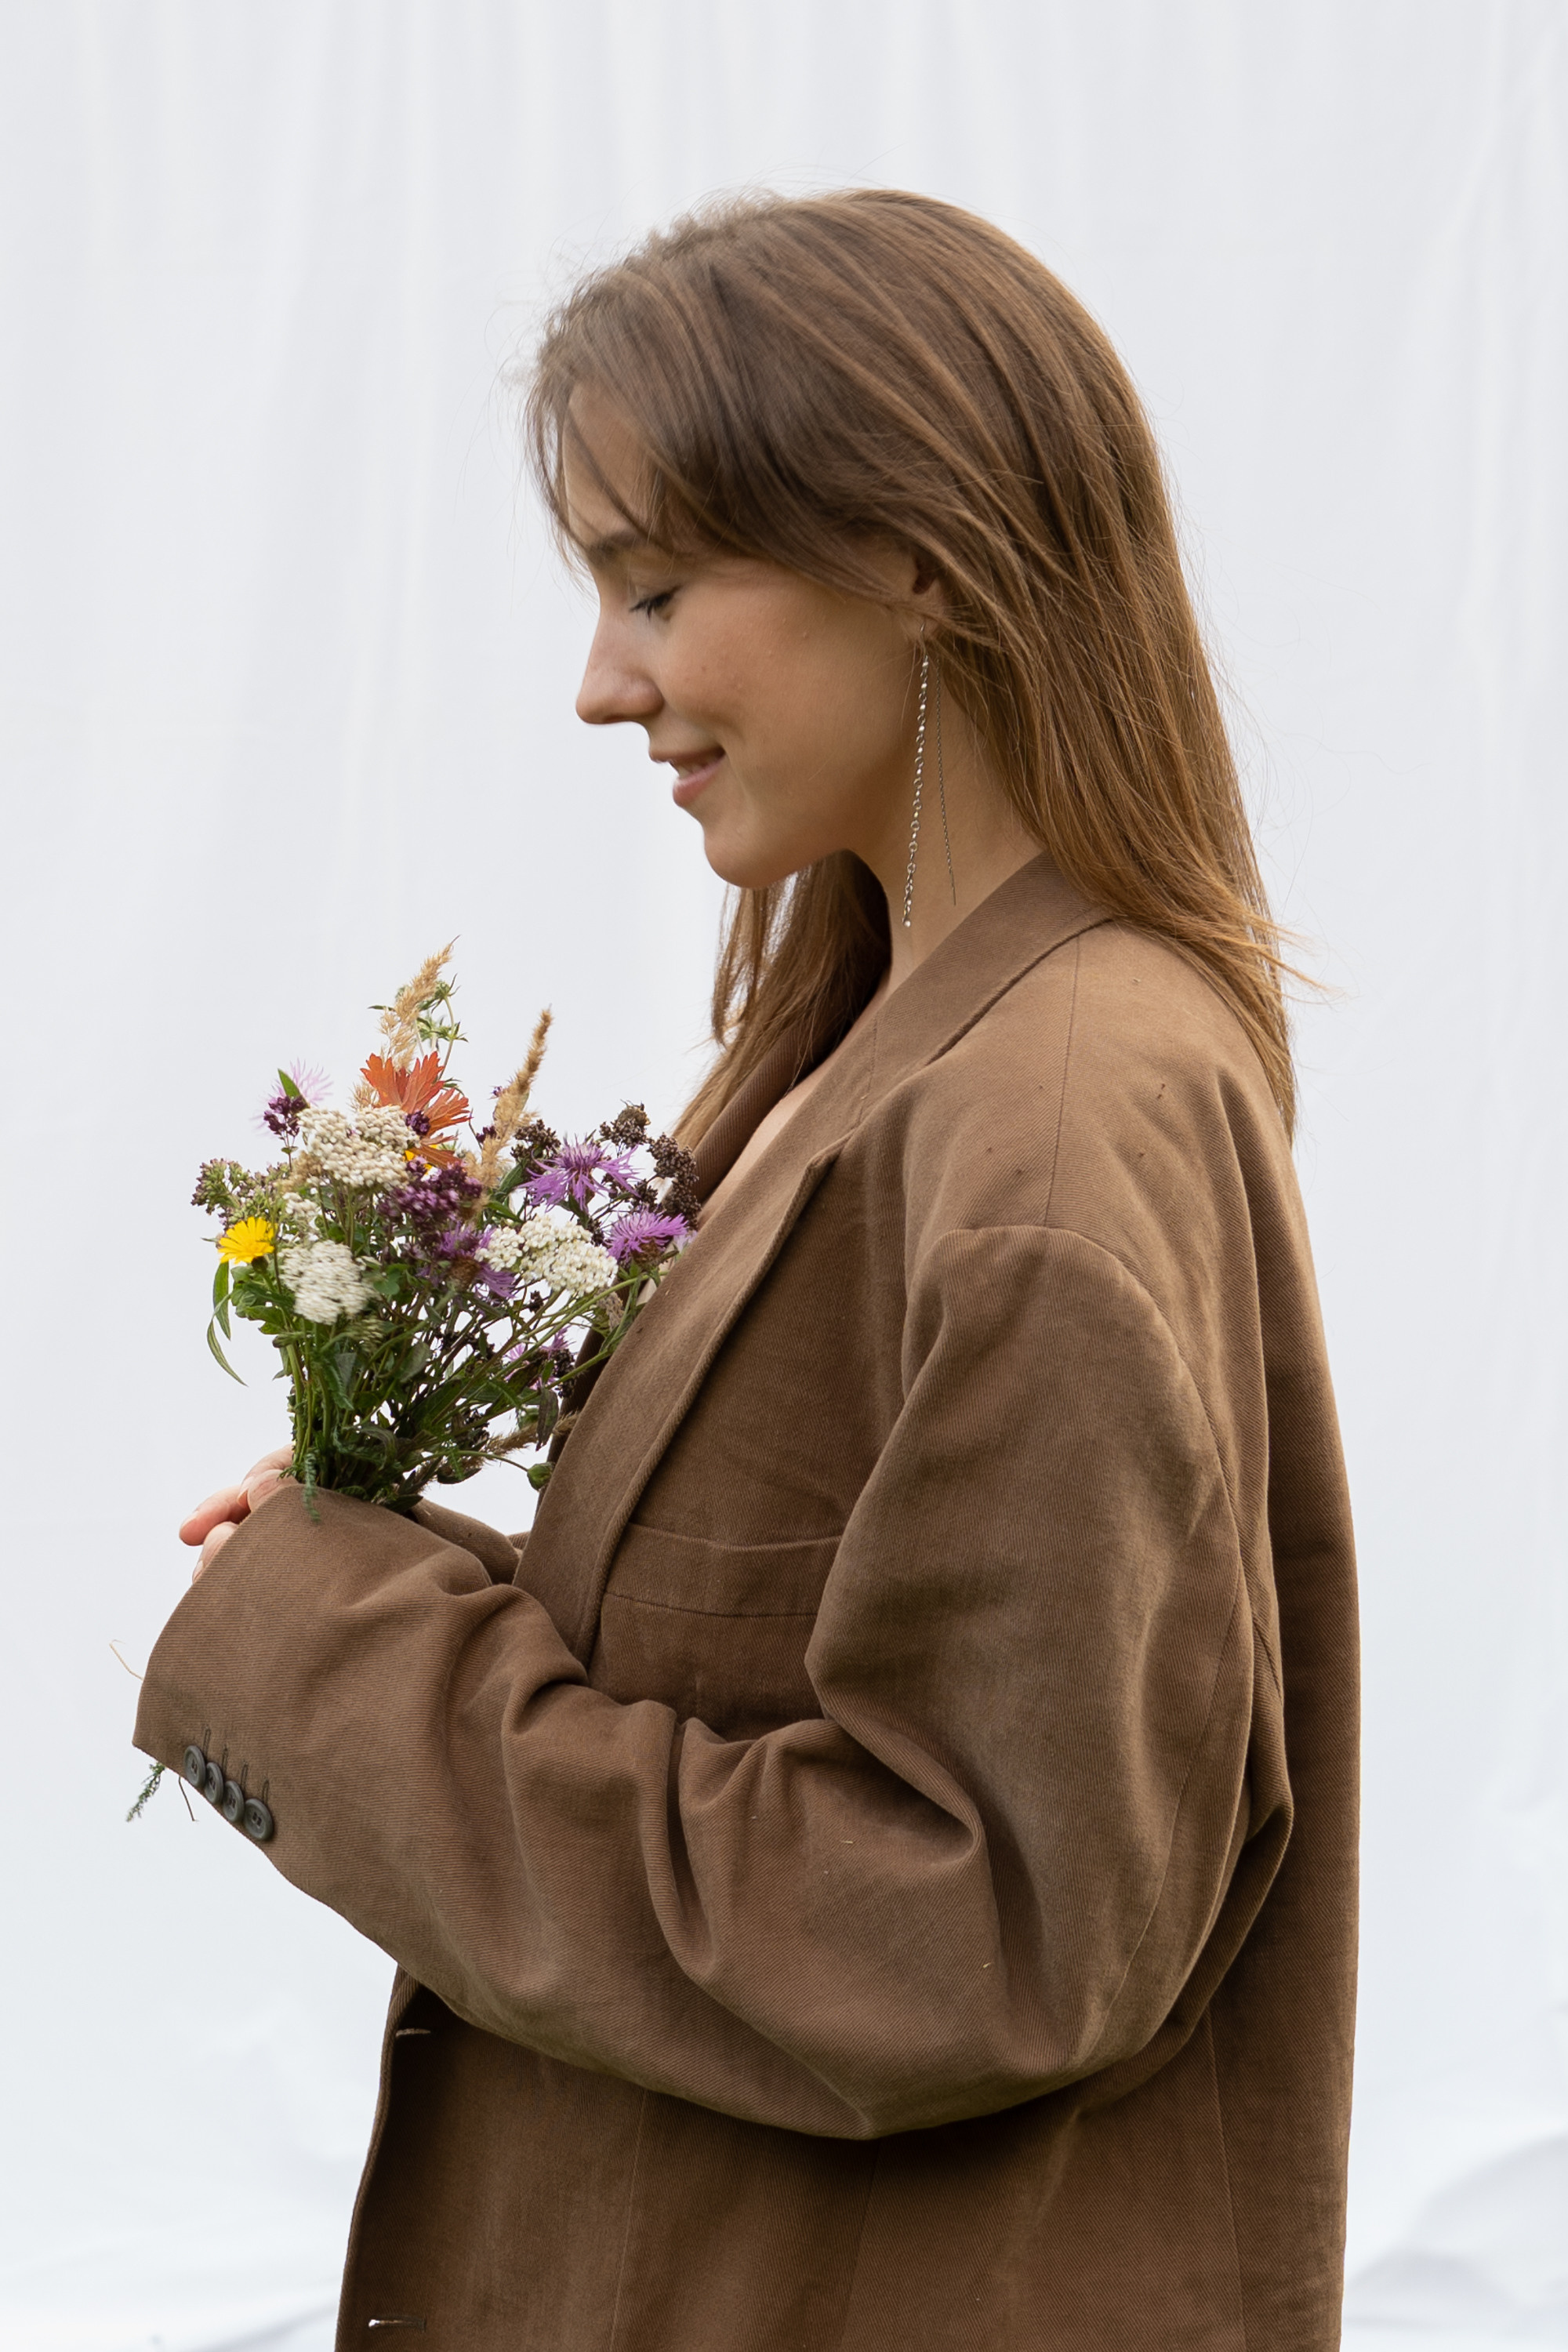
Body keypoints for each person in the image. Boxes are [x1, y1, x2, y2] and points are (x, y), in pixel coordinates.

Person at [141, 190, 1358, 2350]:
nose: (605, 684)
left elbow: (982, 1922)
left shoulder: (1056, 1118)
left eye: (655, 584)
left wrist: (330, 1665)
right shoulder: (890, 1037)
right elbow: (800, 1668)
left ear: (912, 551)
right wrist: (420, 1570)